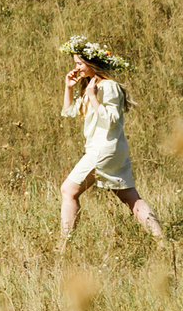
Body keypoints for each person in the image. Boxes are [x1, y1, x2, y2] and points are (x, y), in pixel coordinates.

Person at [57, 35, 164, 252]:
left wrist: (93, 97)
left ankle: (62, 247)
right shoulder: (92, 86)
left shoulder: (109, 87)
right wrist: (69, 87)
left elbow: (112, 120)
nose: (76, 67)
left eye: (79, 63)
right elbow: (69, 112)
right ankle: (162, 242)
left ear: (92, 63)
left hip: (103, 149)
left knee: (68, 190)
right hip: (108, 149)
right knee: (130, 197)